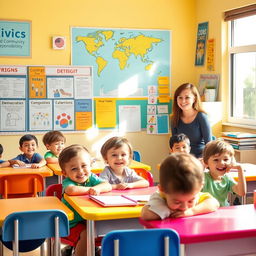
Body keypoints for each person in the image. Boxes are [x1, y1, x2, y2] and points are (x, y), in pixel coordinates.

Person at [60, 144, 112, 256]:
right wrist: (91, 189)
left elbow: (107, 185)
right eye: (74, 168)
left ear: (90, 165)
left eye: (84, 166)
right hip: (71, 223)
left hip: (89, 219)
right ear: (64, 173)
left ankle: (93, 250)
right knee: (87, 234)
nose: (80, 171)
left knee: (109, 227)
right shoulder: (68, 182)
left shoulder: (91, 177)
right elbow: (71, 190)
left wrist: (98, 188)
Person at [141, 153, 219, 220]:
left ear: (200, 187)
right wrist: (172, 211)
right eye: (177, 202)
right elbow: (146, 214)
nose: (184, 208)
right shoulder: (159, 197)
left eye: (190, 201)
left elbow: (214, 203)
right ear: (162, 190)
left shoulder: (195, 194)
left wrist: (192, 211)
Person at [171, 83, 212, 158]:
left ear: (194, 99)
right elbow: (174, 144)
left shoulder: (202, 117)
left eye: (187, 97)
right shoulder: (174, 118)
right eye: (180, 97)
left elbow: (209, 145)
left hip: (199, 159)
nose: (183, 101)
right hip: (181, 159)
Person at [201, 139, 246, 207]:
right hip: (206, 214)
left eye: (226, 159)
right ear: (206, 163)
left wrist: (240, 169)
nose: (222, 163)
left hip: (223, 213)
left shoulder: (227, 179)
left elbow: (241, 192)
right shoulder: (203, 179)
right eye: (216, 160)